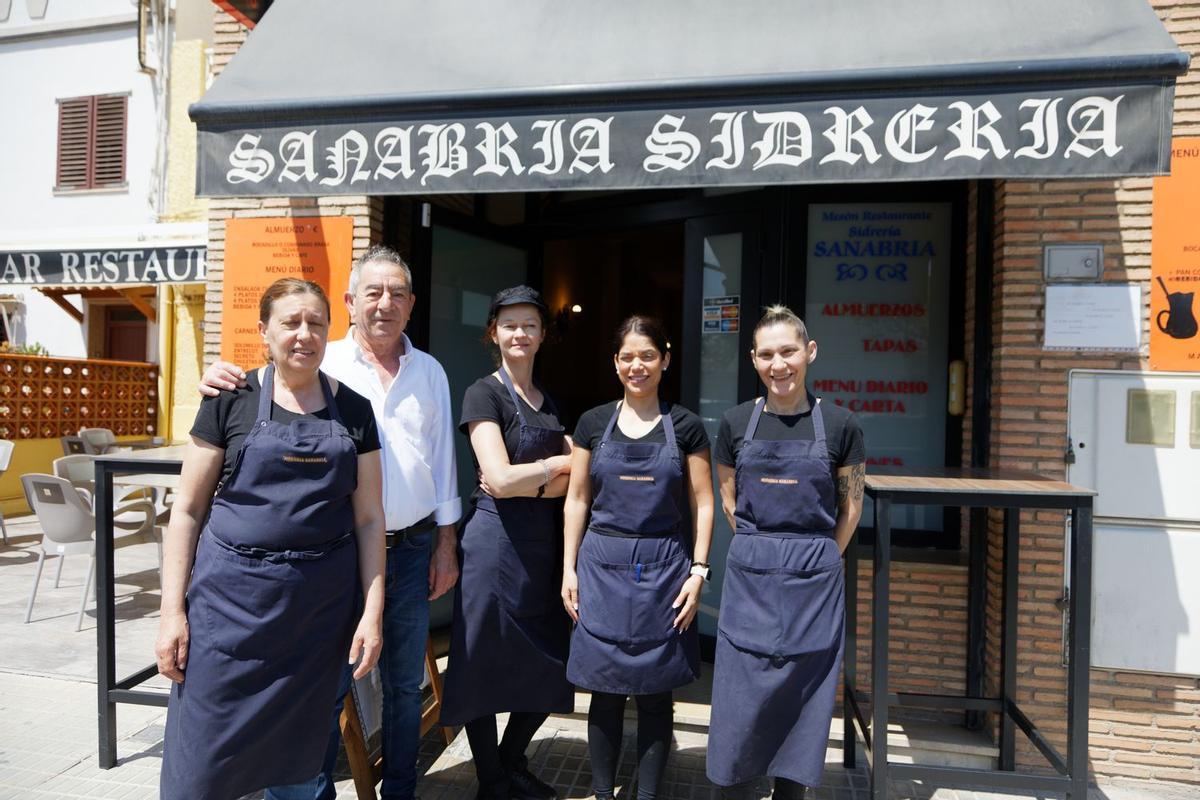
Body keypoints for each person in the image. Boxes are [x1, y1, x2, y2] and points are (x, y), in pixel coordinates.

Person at [199, 245, 462, 800]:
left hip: (413, 549)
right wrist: (219, 376)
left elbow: (442, 462)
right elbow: (257, 390)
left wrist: (446, 541)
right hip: (341, 554)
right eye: (373, 292)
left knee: (404, 682)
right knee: (329, 683)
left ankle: (400, 791)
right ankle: (310, 787)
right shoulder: (323, 362)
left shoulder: (431, 371)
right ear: (349, 302)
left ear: (412, 304)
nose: (384, 303)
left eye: (396, 293)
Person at [156, 278, 386, 800]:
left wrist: (371, 613)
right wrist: (172, 613)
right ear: (264, 331)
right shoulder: (229, 401)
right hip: (227, 609)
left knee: (300, 767)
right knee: (200, 768)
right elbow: (188, 511)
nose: (304, 334)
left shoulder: (354, 411)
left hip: (315, 616)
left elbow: (370, 518)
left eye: (316, 324)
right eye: (290, 322)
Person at [706, 305, 865, 800]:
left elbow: (852, 508)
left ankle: (791, 791)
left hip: (813, 585)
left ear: (809, 352)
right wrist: (764, 551)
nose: (779, 364)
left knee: (805, 697)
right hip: (750, 580)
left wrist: (818, 559)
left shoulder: (841, 426)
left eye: (789, 352)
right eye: (768, 354)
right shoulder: (733, 424)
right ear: (754, 360)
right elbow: (730, 503)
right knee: (740, 697)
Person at [561, 316, 714, 800]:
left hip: (666, 567)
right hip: (600, 565)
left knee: (655, 691)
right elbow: (578, 499)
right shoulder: (591, 422)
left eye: (647, 355)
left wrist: (699, 571)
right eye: (627, 356)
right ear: (615, 363)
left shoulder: (686, 425)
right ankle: (603, 793)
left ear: (665, 359)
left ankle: (646, 795)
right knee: (603, 692)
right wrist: (568, 567)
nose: (637, 365)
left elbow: (704, 502)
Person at [440, 286, 574, 800]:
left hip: (541, 545)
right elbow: (496, 478)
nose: (520, 334)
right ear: (493, 332)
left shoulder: (548, 400)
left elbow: (576, 480)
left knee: (551, 659)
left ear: (543, 335)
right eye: (510, 324)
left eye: (530, 325)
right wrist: (554, 468)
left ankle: (511, 759)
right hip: (493, 543)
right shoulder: (483, 393)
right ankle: (493, 780)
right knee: (483, 662)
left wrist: (536, 477)